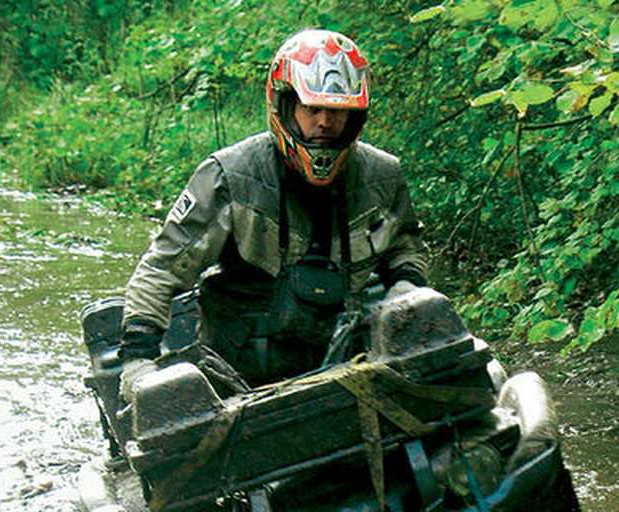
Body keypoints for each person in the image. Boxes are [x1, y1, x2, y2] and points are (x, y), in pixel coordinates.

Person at [119, 28, 429, 398]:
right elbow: (161, 269)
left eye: (337, 112)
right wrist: (138, 358)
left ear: (355, 116)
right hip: (238, 379)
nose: (324, 124)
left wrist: (407, 287)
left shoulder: (383, 176)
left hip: (351, 368)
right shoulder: (228, 176)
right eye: (312, 109)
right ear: (284, 105)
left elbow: (406, 247)